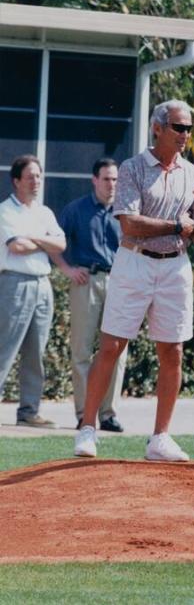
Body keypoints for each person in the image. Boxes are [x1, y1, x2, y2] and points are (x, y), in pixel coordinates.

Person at [74, 99, 194, 460]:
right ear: (157, 128)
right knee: (111, 347)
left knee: (173, 351)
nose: (185, 135)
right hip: (134, 262)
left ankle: (160, 439)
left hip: (176, 266)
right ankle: (88, 429)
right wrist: (175, 226)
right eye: (178, 128)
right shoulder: (133, 167)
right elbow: (129, 222)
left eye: (188, 129)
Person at [52, 158, 126, 432]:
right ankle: (85, 414)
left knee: (117, 351)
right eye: (106, 179)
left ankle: (108, 413)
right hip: (87, 282)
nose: (111, 185)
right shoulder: (76, 210)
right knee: (82, 350)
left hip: (120, 284)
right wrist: (67, 269)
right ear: (94, 180)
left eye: (115, 179)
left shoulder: (125, 212)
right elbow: (55, 241)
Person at [0, 155, 66, 428]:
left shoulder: (44, 212)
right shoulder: (5, 211)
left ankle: (29, 410)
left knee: (35, 351)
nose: (36, 181)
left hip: (43, 285)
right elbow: (16, 247)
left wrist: (34, 238)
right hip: (15, 283)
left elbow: (61, 245)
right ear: (16, 181)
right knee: (5, 348)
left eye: (38, 176)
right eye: (30, 177)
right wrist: (46, 241)